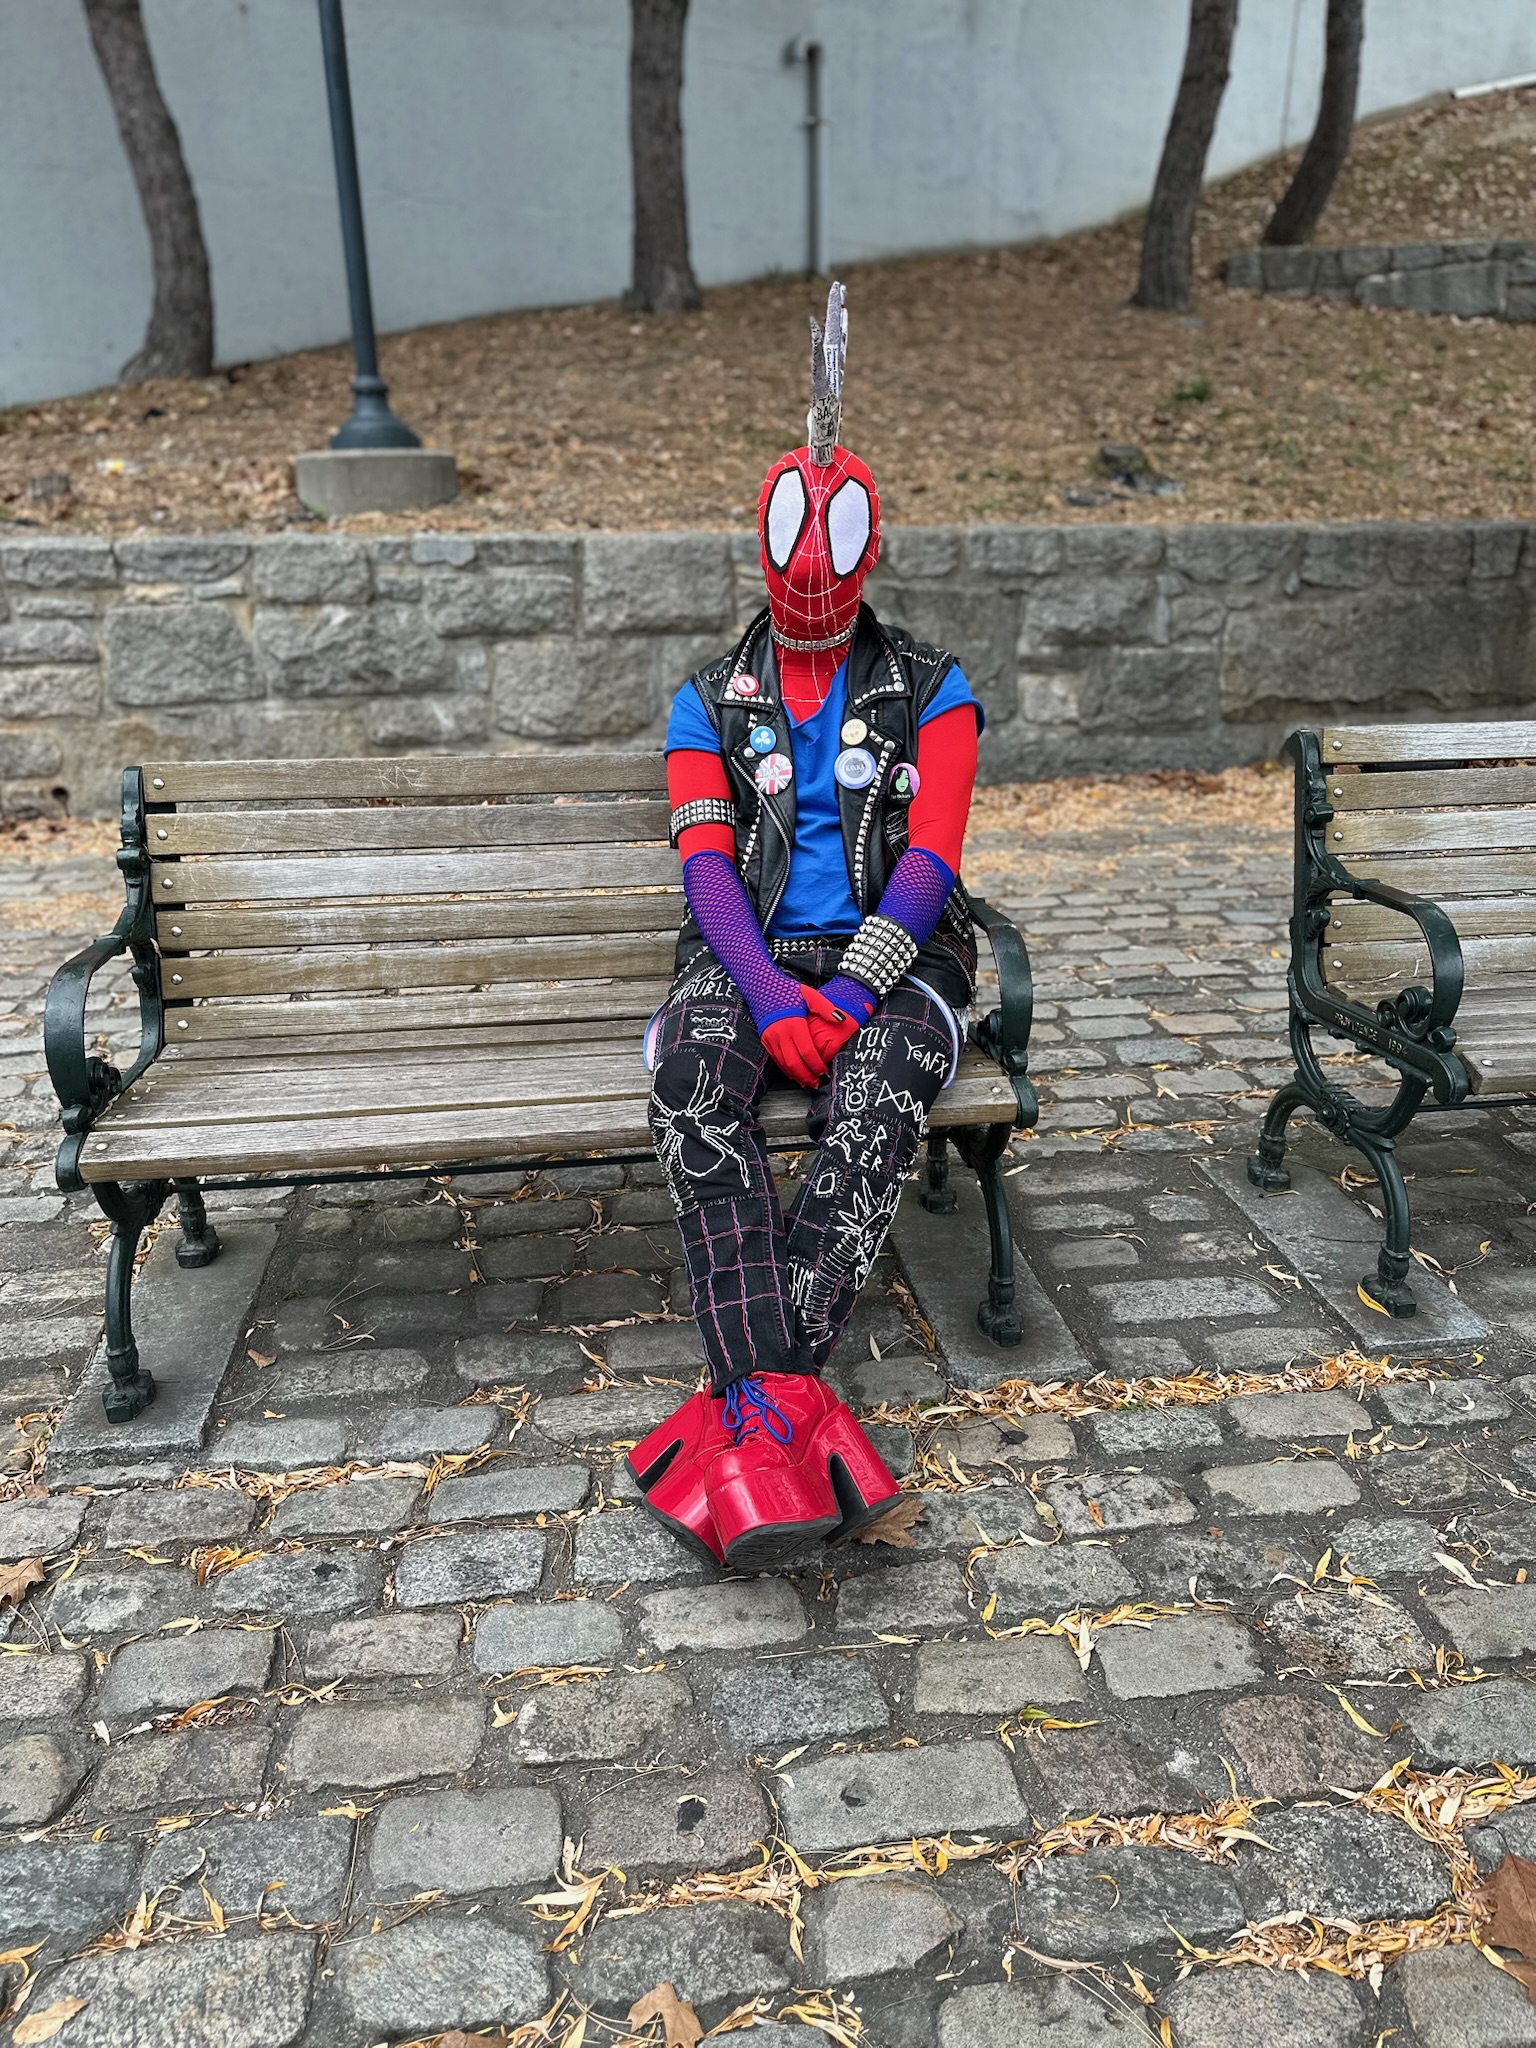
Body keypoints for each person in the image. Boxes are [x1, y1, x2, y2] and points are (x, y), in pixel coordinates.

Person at [626, 284, 982, 1571]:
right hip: (747, 955)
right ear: (762, 549)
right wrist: (776, 1000)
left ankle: (742, 1419)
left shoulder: (938, 693)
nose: (813, 584)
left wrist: (850, 997)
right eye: (793, 555)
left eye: (834, 555)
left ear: (867, 549)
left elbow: (930, 863)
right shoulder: (699, 700)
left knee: (879, 1096)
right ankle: (785, 1406)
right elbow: (708, 871)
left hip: (898, 961)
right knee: (687, 1077)